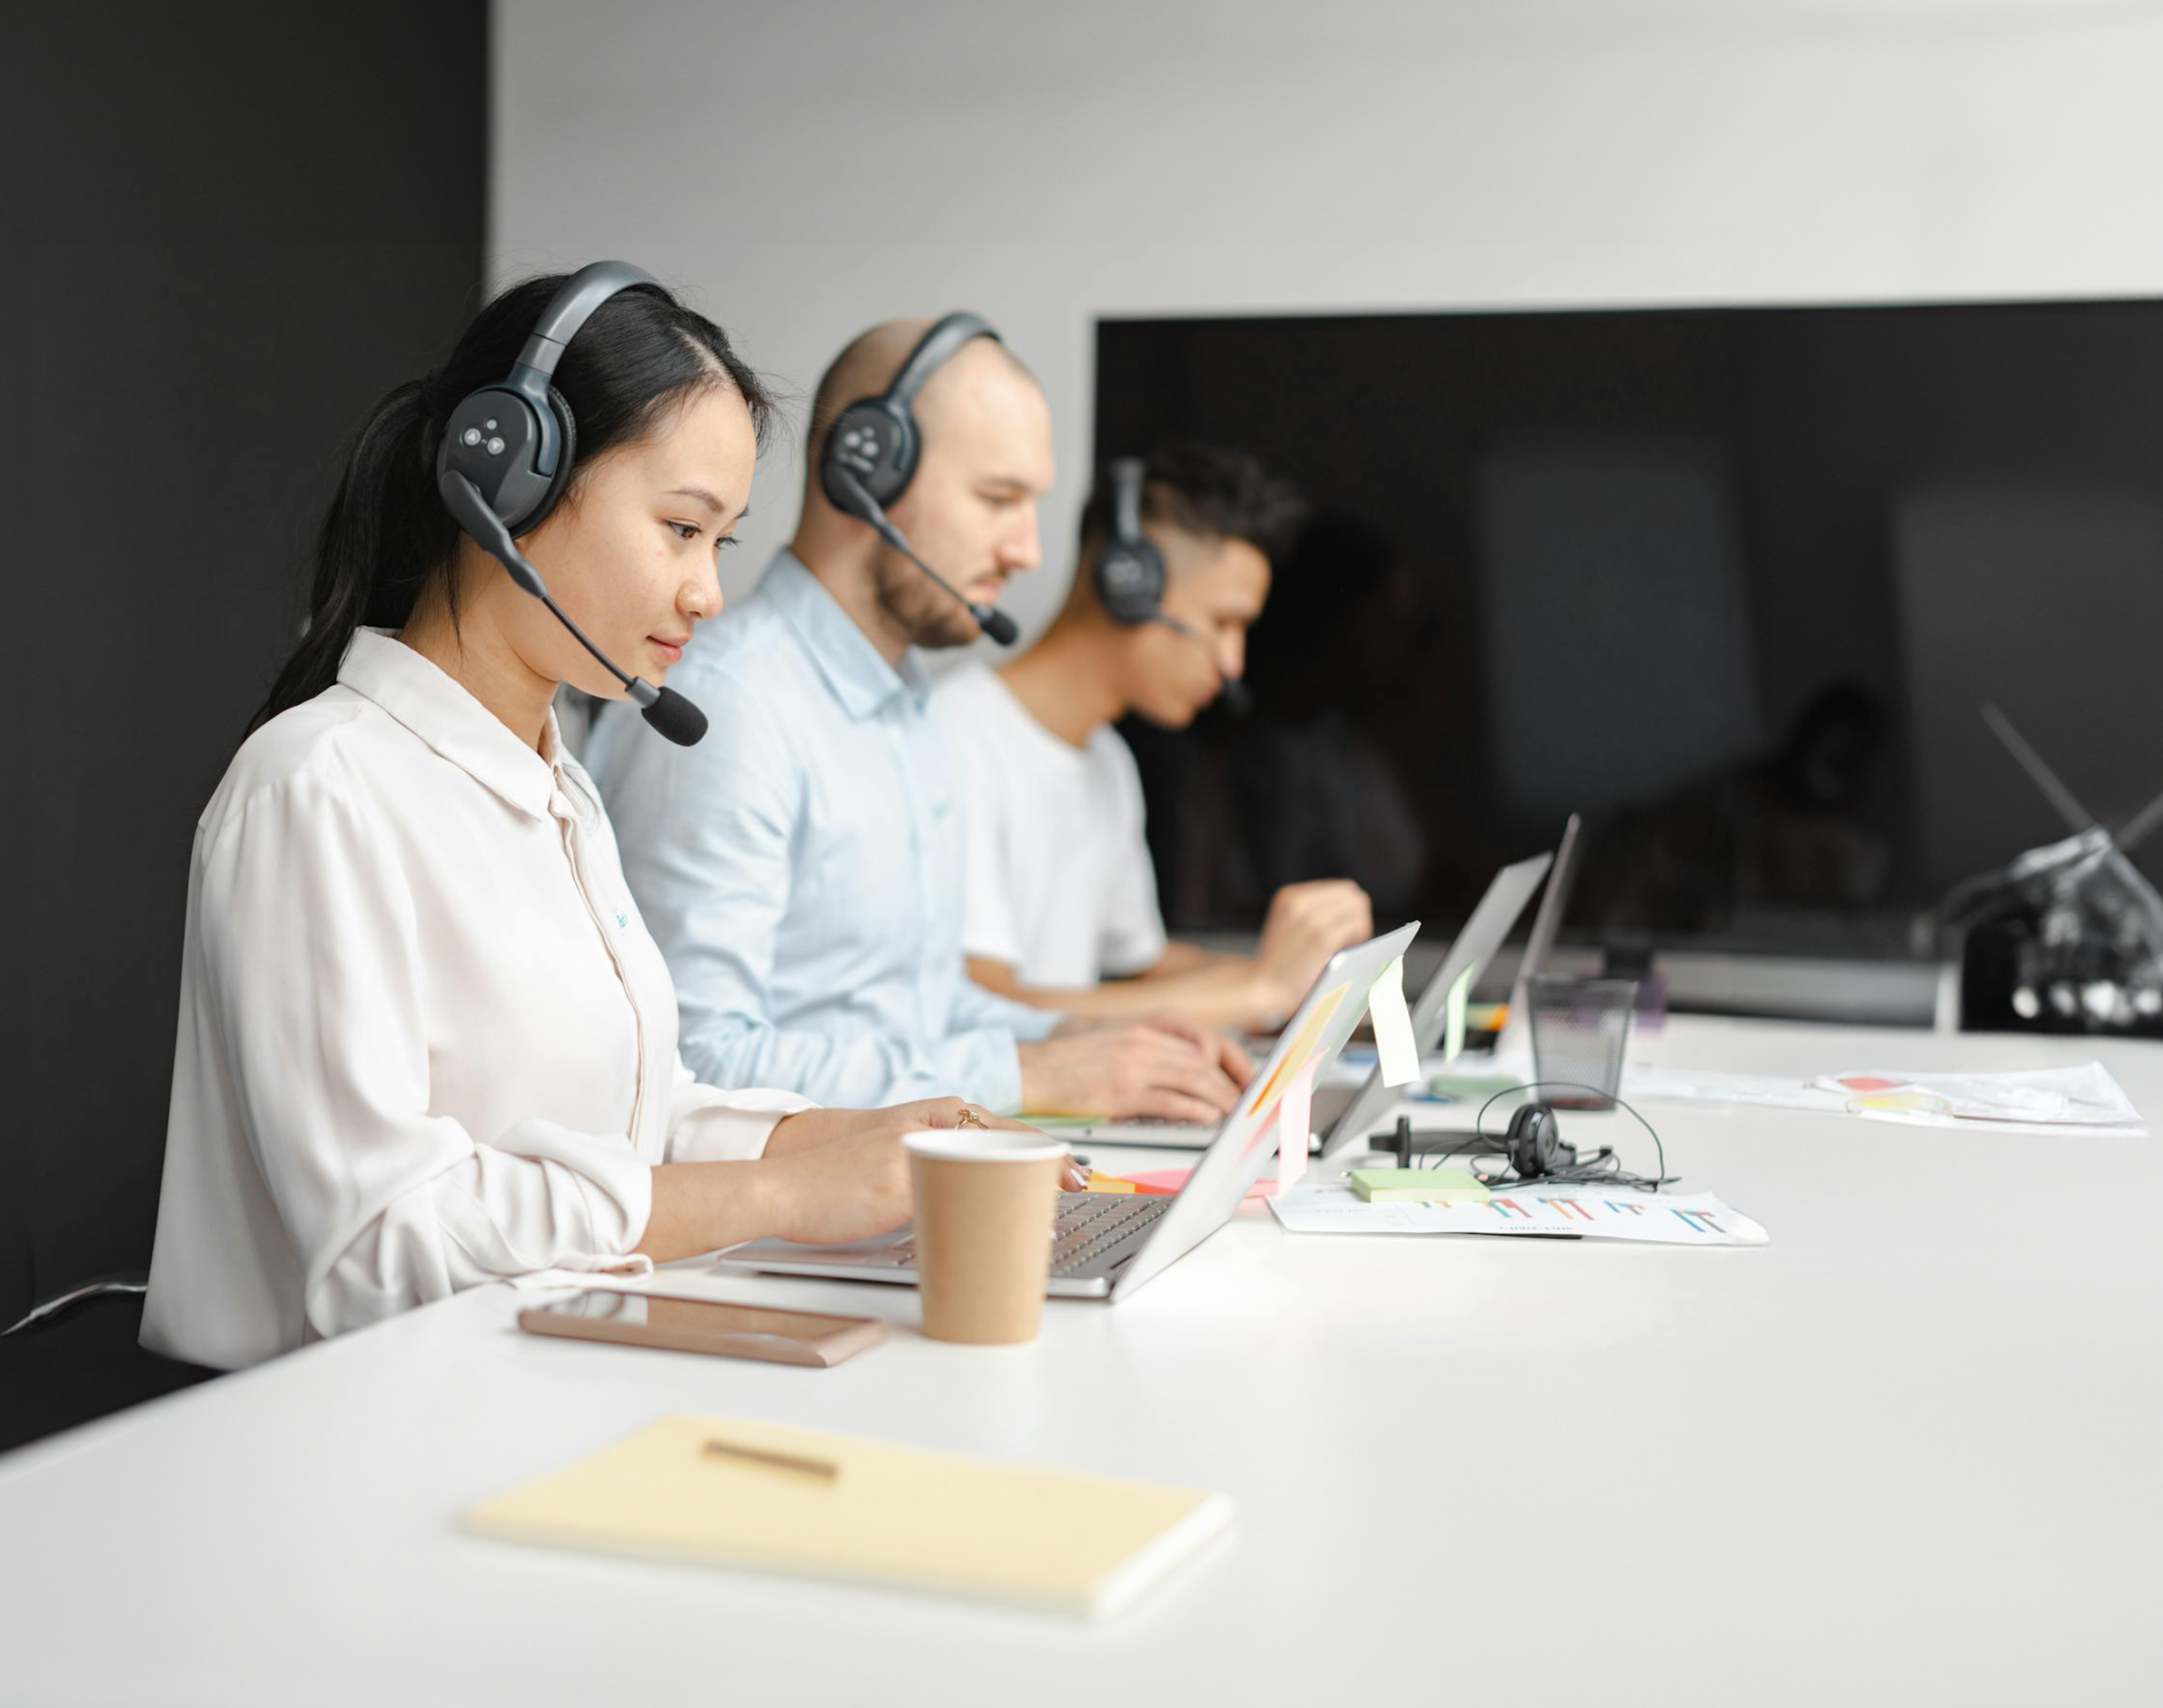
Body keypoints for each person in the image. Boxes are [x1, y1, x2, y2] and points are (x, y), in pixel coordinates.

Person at [142, 270, 1064, 1373]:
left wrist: (841, 1138)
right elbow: (383, 1245)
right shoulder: (320, 785)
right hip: (354, 1442)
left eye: (719, 543)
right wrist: (775, 1191)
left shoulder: (558, 785)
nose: (707, 592)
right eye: (680, 527)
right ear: (508, 479)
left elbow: (628, 1110)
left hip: (541, 1384)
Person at [588, 315, 1250, 1123]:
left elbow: (923, 1013)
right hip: (763, 1237)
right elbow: (692, 1060)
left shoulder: (911, 708)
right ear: (869, 466)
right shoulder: (733, 709)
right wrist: (1036, 1079)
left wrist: (1091, 1041)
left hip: (896, 1200)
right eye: (998, 499)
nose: (1028, 551)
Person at [941, 443, 1371, 1030]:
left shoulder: (1107, 762)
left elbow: (1143, 966)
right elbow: (986, 1010)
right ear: (1127, 581)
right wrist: (1256, 991)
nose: (1232, 664)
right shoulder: (956, 736)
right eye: (1223, 623)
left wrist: (1306, 984)